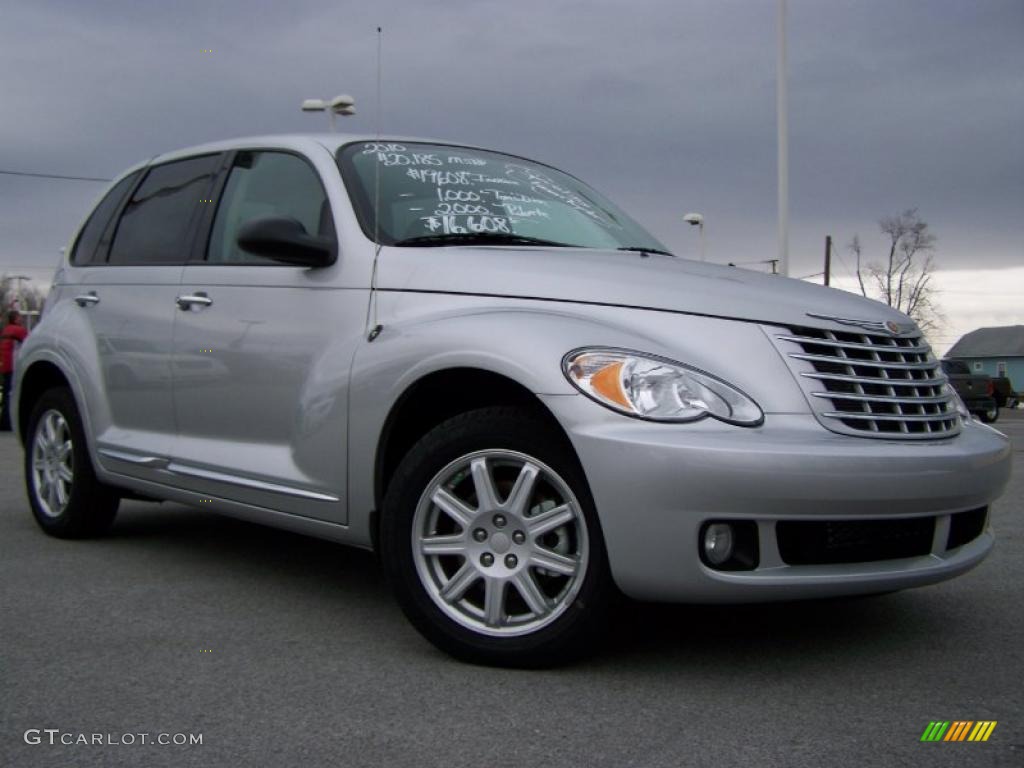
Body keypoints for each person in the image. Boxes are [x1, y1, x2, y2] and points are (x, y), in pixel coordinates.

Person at [0, 310, 29, 431]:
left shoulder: (6, 329)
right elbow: (31, 341)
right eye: (19, 317)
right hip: (13, 365)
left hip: (4, 364)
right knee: (11, 393)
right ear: (15, 319)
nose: (21, 319)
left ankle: (4, 420)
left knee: (6, 392)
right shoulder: (19, 330)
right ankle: (8, 422)